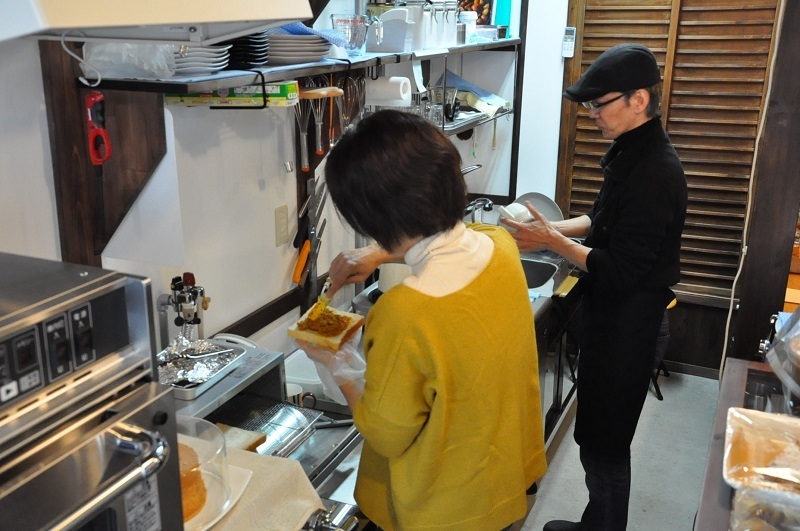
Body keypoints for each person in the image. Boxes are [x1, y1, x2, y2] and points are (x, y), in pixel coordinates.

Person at [295, 109, 547, 530]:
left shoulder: (405, 312)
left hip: (442, 511)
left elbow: (384, 433)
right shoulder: (500, 245)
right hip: (501, 479)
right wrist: (379, 252)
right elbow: (442, 242)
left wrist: (338, 364)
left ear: (372, 216)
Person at [502, 43, 688, 530]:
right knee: (596, 434)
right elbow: (602, 222)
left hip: (631, 323)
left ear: (638, 100)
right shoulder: (631, 151)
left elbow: (621, 267)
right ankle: (594, 524)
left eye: (598, 105)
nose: (591, 116)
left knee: (606, 442)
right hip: (612, 316)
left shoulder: (656, 172)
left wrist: (550, 242)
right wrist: (551, 232)